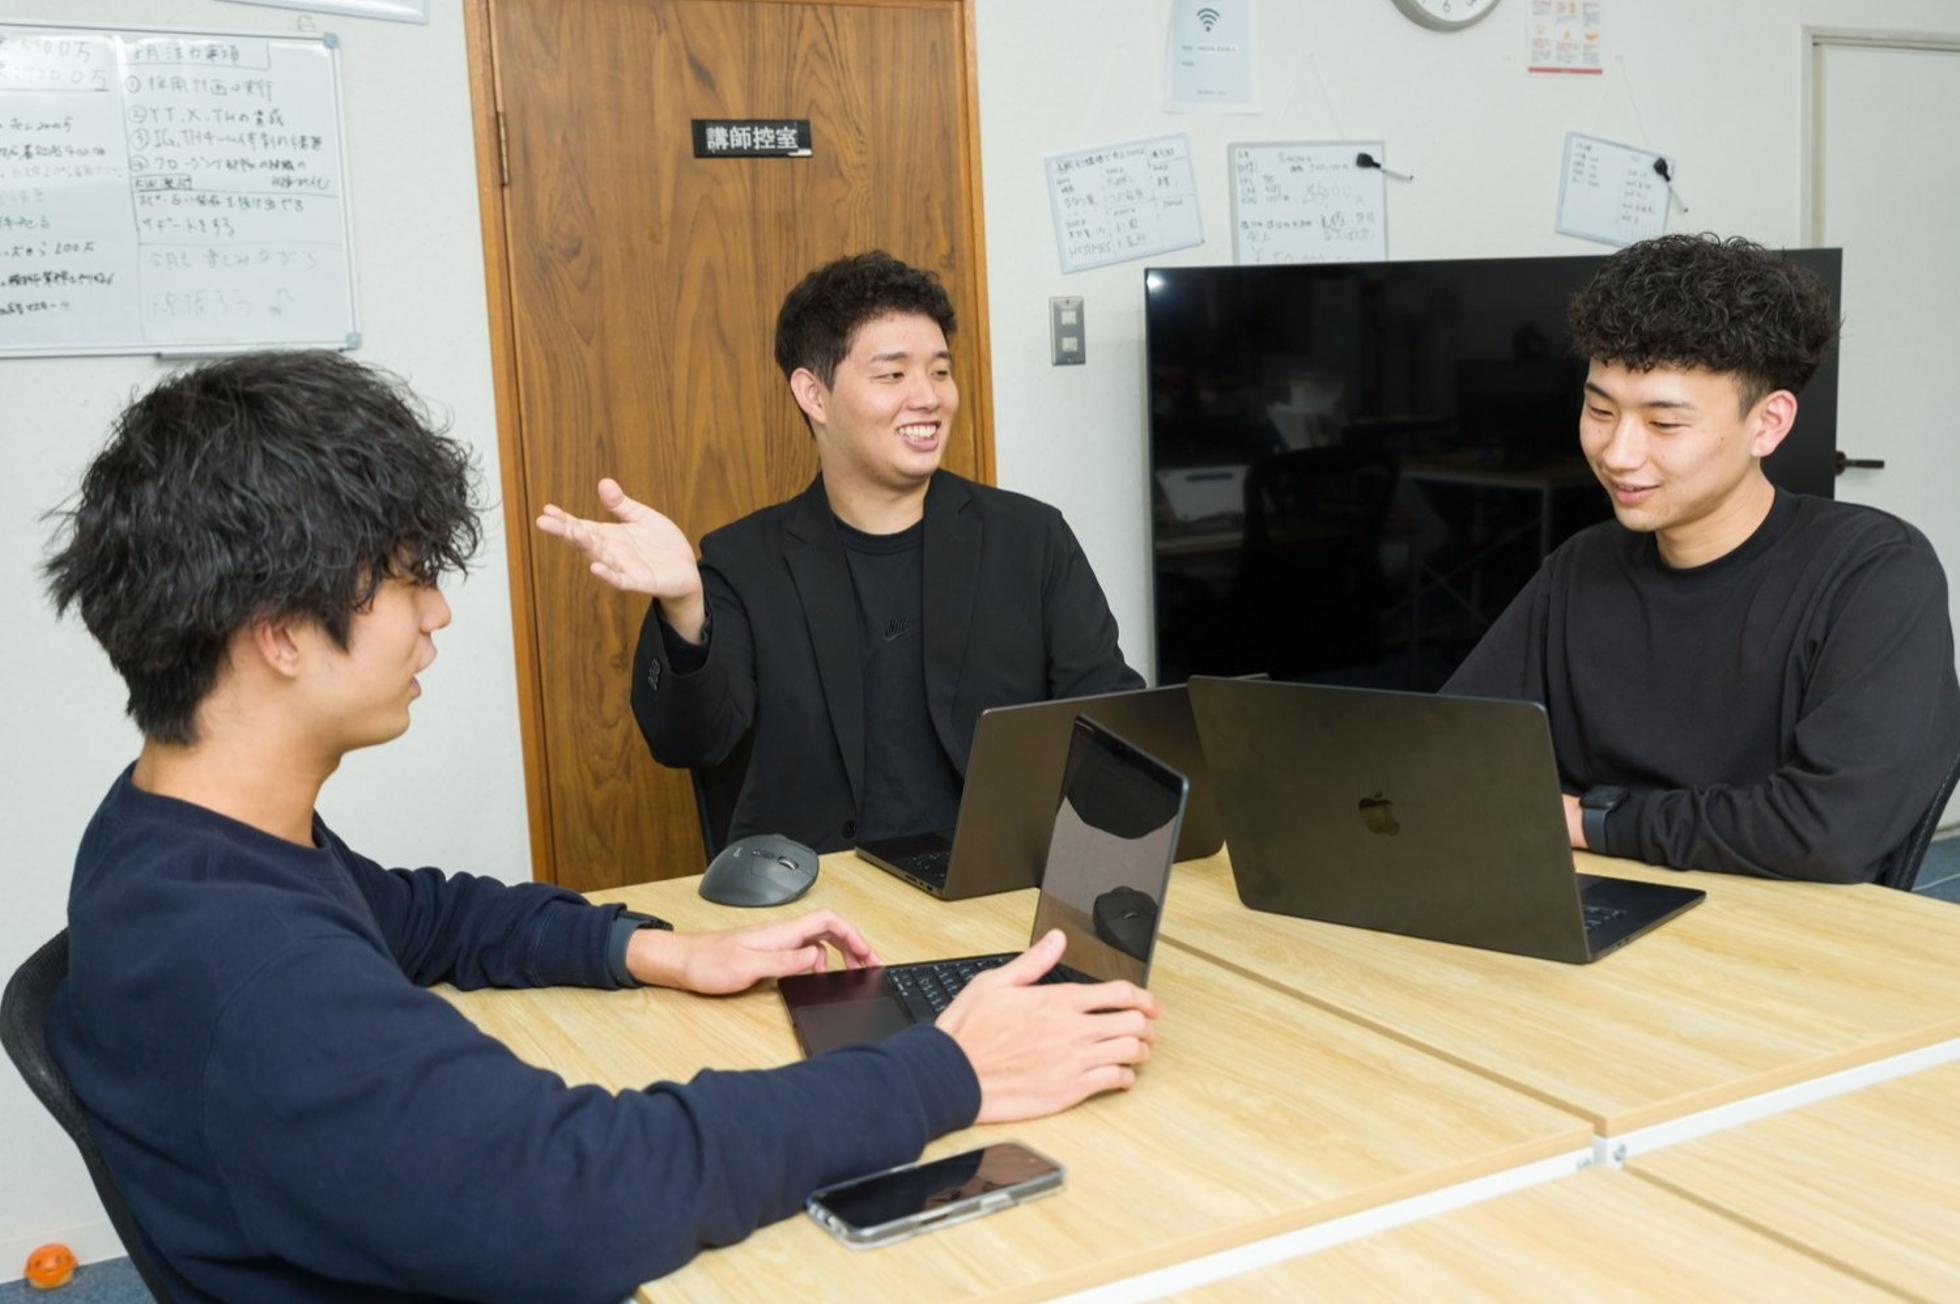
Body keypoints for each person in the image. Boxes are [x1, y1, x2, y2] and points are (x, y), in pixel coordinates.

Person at [38, 351, 1161, 1302]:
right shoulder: (251, 968)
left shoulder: (175, 835)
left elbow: (424, 916)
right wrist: (947, 1067)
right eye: (408, 580)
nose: (437, 611)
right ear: (280, 632)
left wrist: (658, 949)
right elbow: (585, 1189)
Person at [538, 251, 1142, 852]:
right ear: (814, 395)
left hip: (994, 887)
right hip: (817, 897)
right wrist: (684, 610)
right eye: (893, 375)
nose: (929, 397)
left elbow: (1114, 731)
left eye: (939, 371)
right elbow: (689, 742)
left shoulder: (1030, 540)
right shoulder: (744, 563)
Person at [1444, 233, 1960, 884]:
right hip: (1602, 897)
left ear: (1768, 424)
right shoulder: (1582, 566)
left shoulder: (1875, 574)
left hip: (1777, 922)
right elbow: (1451, 749)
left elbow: (1827, 832)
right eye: (1599, 410)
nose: (1618, 454)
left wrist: (1587, 820)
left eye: (1664, 424)